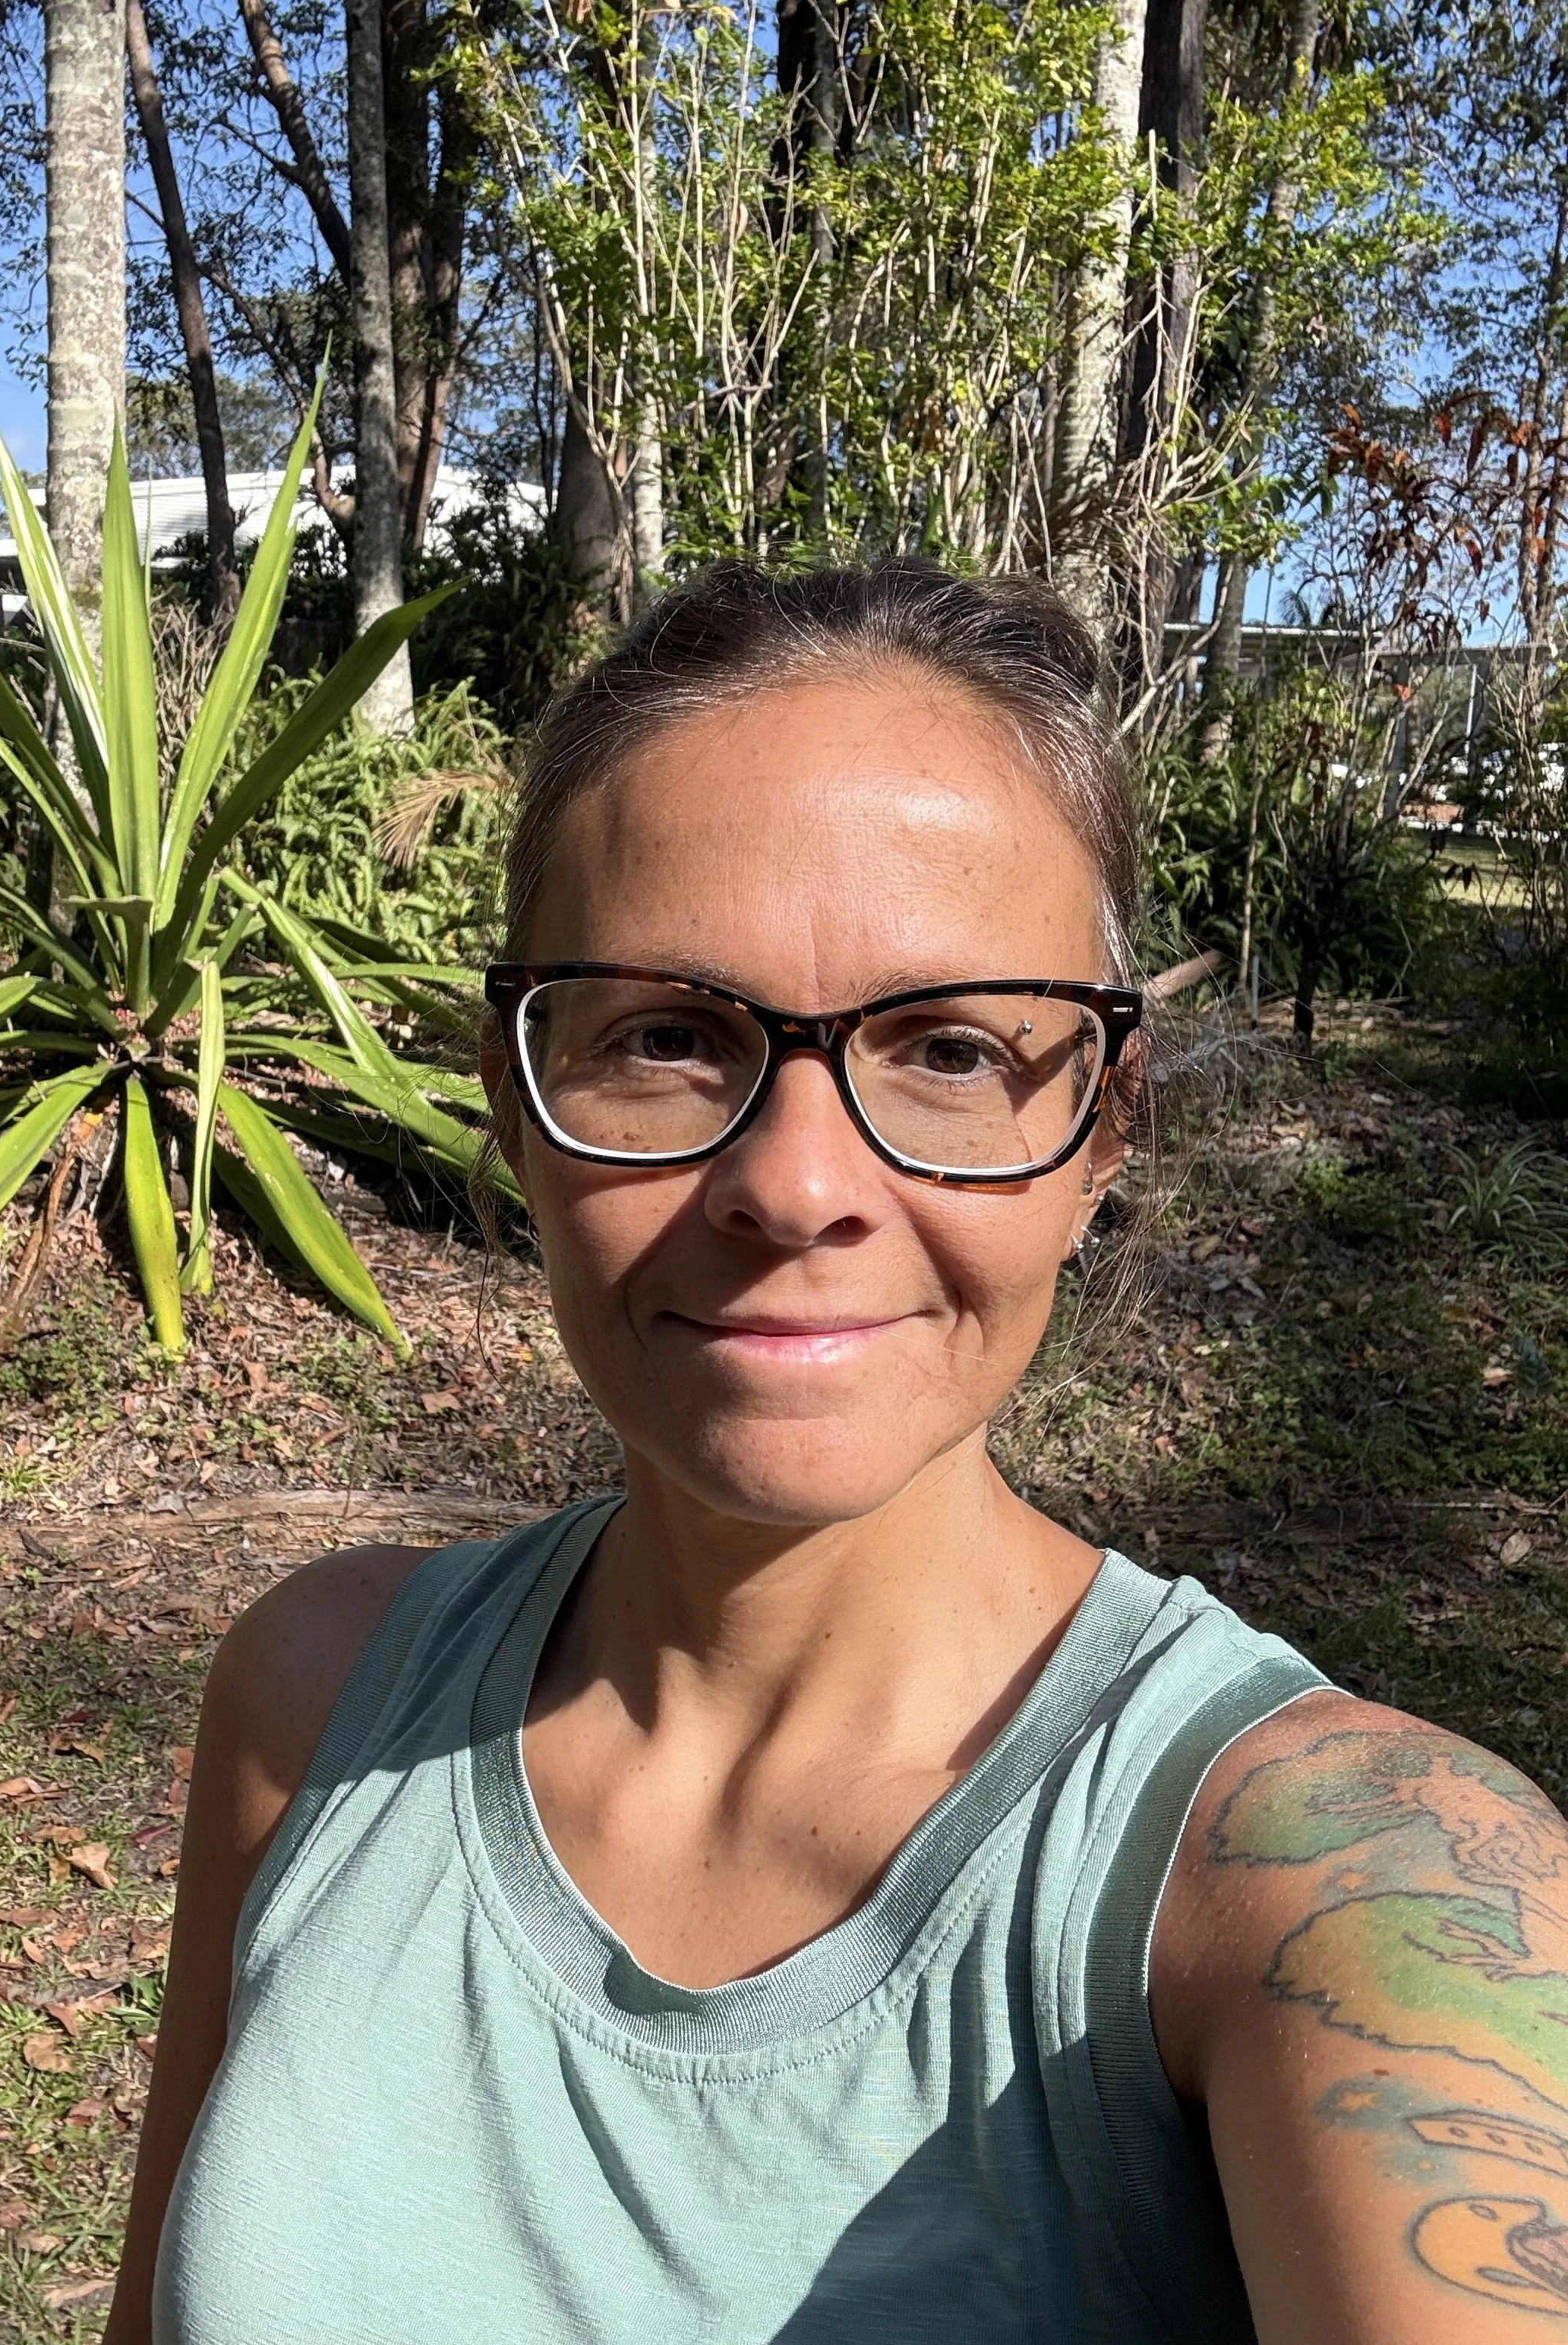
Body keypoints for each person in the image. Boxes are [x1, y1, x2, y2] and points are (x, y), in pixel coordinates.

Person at [106, 563, 1568, 2345]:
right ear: (513, 1092)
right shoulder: (317, 1704)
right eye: (665, 1035)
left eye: (948, 1046)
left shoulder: (1332, 1875)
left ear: (1101, 1125)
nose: (796, 1185)